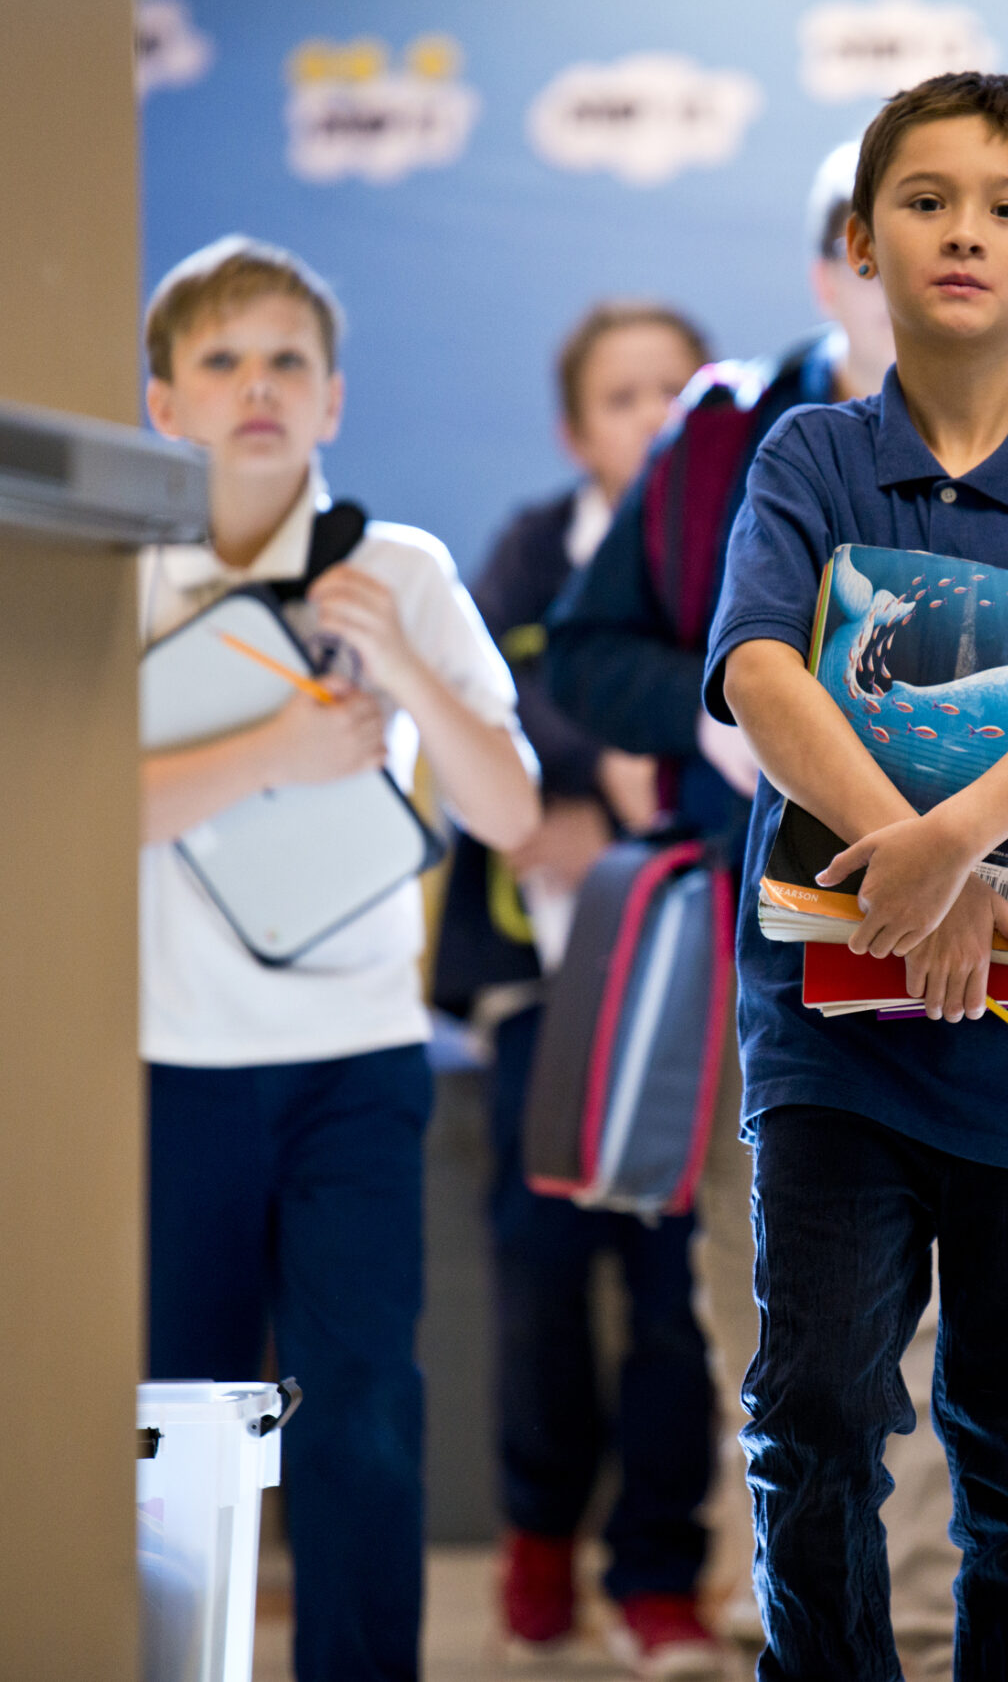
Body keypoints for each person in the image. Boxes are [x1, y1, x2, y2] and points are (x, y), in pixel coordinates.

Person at [705, 73, 1008, 1681]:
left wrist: (954, 842)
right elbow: (764, 672)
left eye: (1007, 205)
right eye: (923, 200)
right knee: (820, 1413)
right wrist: (910, 868)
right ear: (862, 239)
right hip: (836, 1049)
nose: (962, 231)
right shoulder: (807, 457)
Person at [547, 144, 965, 1673]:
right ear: (831, 266)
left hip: (958, 934)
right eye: (890, 250)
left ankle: (916, 1624)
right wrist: (714, 712)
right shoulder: (723, 432)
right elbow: (586, 657)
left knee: (929, 1299)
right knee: (769, 1299)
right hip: (762, 932)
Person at [136, 235, 541, 1682]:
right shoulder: (114, 569)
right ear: (163, 402)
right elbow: (80, 813)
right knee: (176, 1418)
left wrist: (408, 667)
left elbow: (507, 807)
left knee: (363, 1406)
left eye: (288, 360)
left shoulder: (405, 566)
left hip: (358, 1067)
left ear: (335, 399)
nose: (258, 386)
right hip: (167, 1060)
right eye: (222, 360)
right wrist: (275, 747)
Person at [428, 300, 729, 1676]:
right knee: (543, 1276)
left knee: (680, 1293)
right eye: (623, 396)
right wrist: (585, 768)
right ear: (574, 428)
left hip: (688, 984)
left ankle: (660, 1570)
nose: (654, 416)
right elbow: (478, 686)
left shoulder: (738, 546)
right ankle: (540, 1528)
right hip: (545, 986)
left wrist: (632, 801)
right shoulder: (533, 549)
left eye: (678, 390)